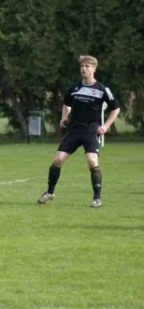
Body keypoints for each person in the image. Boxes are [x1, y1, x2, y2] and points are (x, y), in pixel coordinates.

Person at [37, 55, 120, 208]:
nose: (84, 68)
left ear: (94, 68)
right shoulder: (74, 88)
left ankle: (96, 198)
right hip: (74, 129)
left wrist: (106, 126)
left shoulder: (102, 89)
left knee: (91, 161)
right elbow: (67, 104)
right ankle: (50, 192)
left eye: (87, 66)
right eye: (82, 66)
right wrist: (64, 117)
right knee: (57, 160)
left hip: (91, 130)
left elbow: (116, 108)